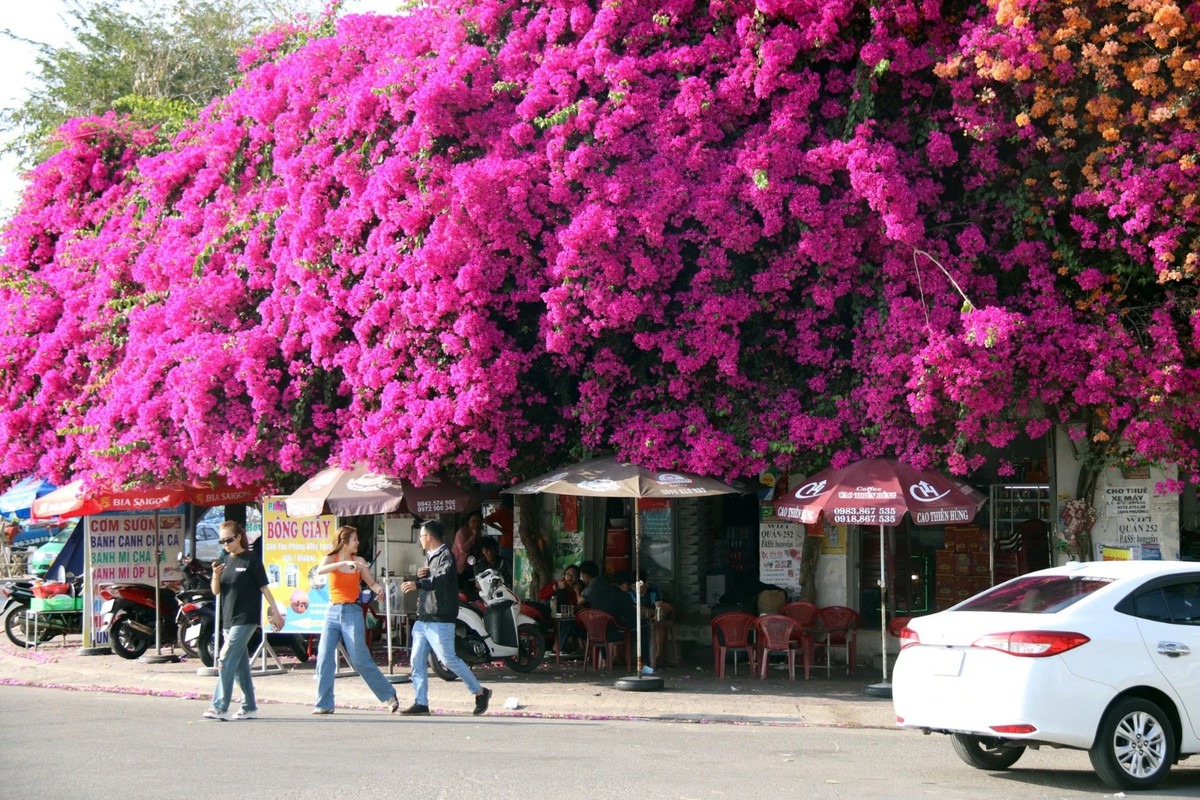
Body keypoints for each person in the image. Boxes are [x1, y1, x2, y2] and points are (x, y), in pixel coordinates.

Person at [400, 519, 491, 716]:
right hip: (424, 617)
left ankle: (480, 692)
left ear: (429, 537)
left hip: (440, 618)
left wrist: (419, 584)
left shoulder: (446, 556)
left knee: (448, 659)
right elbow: (430, 577)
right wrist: (420, 575)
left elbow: (441, 578)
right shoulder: (430, 556)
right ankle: (421, 702)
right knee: (416, 660)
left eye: (421, 536)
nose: (420, 540)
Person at [311, 525, 399, 715]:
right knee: (324, 657)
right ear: (344, 541)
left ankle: (389, 695)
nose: (358, 543)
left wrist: (380, 591)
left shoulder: (359, 562)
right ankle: (324, 703)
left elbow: (372, 583)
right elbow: (320, 570)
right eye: (354, 539)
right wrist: (341, 565)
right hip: (332, 611)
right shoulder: (330, 559)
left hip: (352, 611)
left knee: (359, 658)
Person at [204, 521, 285, 721]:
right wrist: (215, 576)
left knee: (225, 658)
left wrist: (275, 613)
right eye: (222, 541)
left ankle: (219, 706)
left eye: (229, 540)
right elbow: (217, 591)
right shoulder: (224, 560)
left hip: (246, 618)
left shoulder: (251, 560)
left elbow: (264, 588)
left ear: (239, 537)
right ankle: (249, 707)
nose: (226, 544)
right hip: (227, 618)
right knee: (239, 666)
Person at [578, 560, 651, 670]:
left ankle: (605, 661)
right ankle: (643, 664)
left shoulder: (599, 592)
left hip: (594, 633)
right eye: (628, 585)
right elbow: (631, 617)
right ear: (625, 584)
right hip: (614, 634)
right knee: (643, 627)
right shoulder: (623, 596)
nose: (628, 588)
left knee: (604, 626)